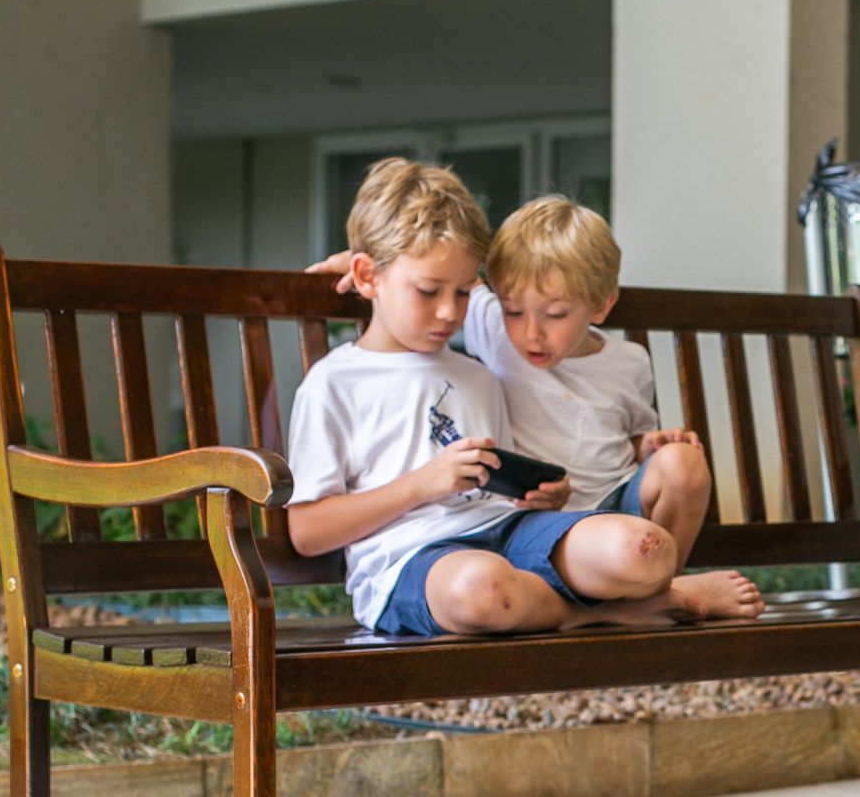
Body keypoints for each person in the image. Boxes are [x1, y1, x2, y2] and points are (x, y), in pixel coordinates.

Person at [287, 157, 762, 635]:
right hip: (412, 559)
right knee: (484, 591)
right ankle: (611, 613)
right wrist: (423, 484)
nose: (449, 312)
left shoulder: (479, 376)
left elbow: (503, 485)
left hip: (512, 532)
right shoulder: (335, 383)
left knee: (644, 552)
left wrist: (545, 494)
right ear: (367, 277)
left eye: (463, 293)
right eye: (429, 291)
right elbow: (306, 533)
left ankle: (634, 597)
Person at [315, 195, 718, 563]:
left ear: (600, 306)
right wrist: (370, 261)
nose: (531, 333)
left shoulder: (629, 362)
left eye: (555, 314)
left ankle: (663, 585)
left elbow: (630, 441)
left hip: (618, 504)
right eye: (513, 311)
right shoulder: (493, 327)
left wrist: (649, 444)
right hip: (537, 524)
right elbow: (440, 269)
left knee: (684, 463)